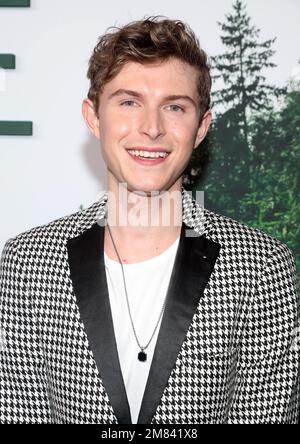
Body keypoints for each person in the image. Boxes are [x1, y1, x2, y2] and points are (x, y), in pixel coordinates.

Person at [0, 15, 299, 425]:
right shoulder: (29, 263)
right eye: (129, 102)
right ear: (93, 117)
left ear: (201, 128)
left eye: (174, 107)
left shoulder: (261, 267)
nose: (152, 128)